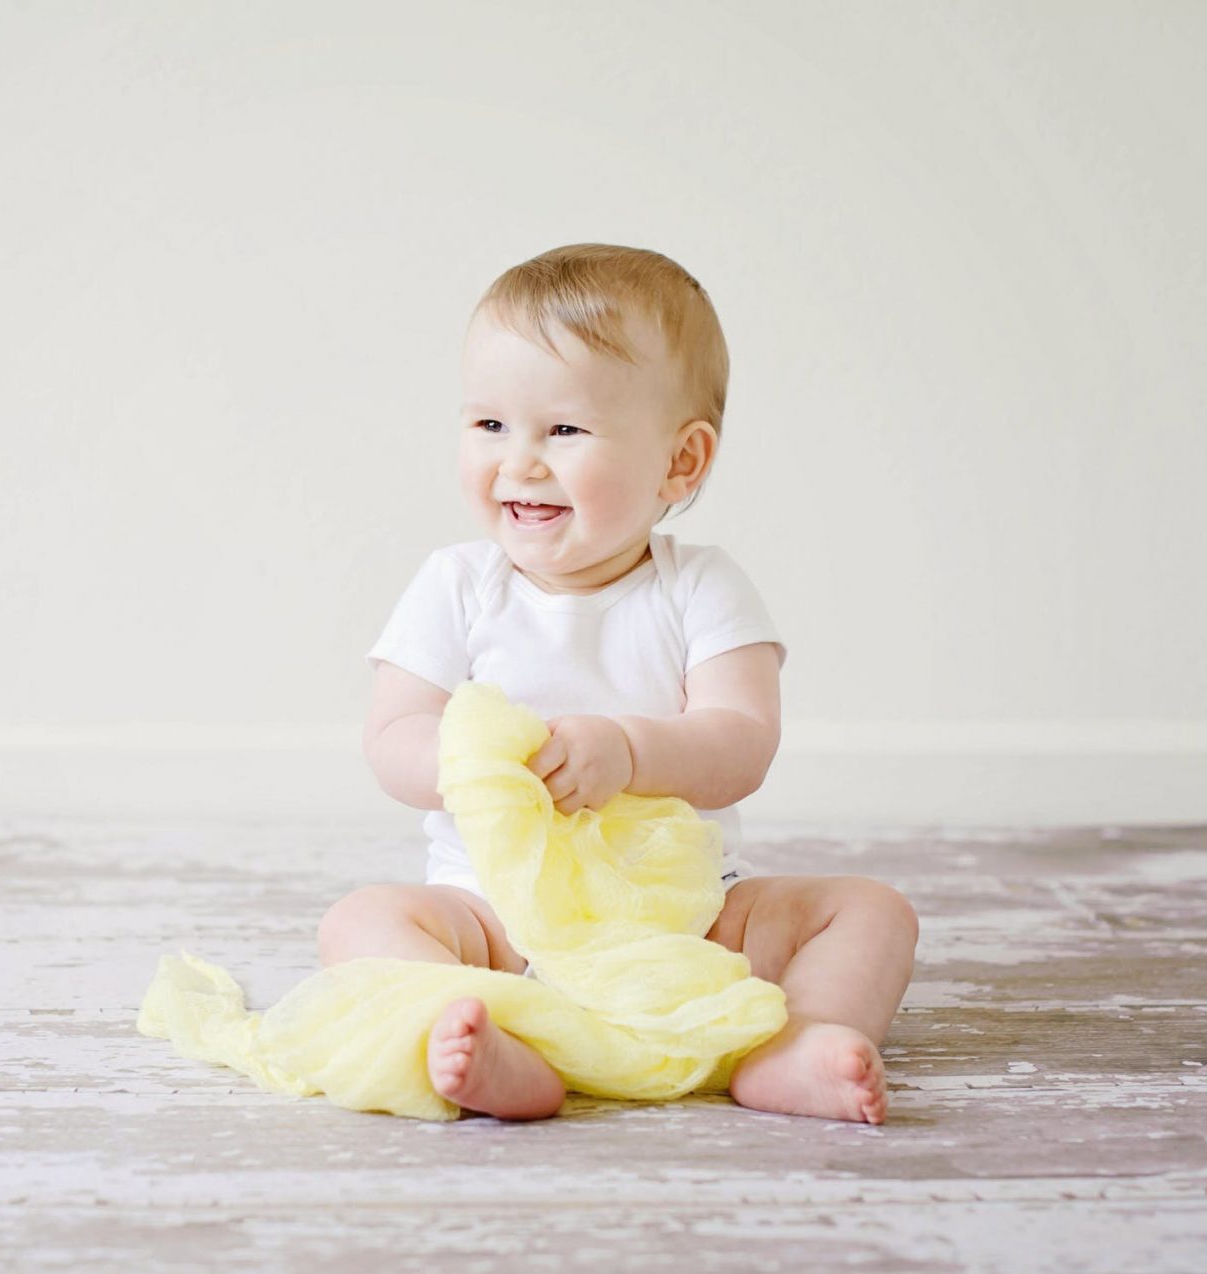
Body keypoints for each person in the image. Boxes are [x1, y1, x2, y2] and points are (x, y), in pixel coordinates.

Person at [321, 243, 920, 1124]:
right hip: (494, 917)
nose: (519, 461)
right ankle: (499, 1040)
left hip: (683, 923)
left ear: (681, 463)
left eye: (563, 430)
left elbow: (742, 740)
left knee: (873, 912)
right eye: (489, 424)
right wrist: (479, 767)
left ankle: (797, 1042)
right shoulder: (456, 585)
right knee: (360, 921)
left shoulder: (699, 587)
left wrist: (631, 749)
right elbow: (392, 735)